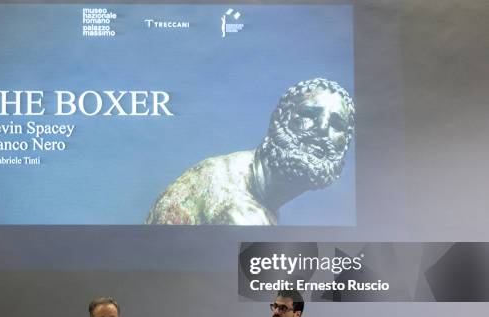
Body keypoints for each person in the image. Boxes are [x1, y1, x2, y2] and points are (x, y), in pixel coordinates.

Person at [146, 78, 355, 225]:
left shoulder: (256, 189)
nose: (322, 127)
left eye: (337, 124)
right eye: (309, 113)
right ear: (280, 119)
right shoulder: (239, 214)